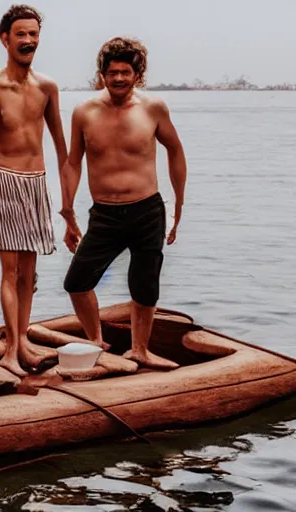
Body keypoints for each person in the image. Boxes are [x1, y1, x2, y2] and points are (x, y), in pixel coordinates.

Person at [60, 37, 187, 370]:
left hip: (147, 210)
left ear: (137, 74)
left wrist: (179, 205)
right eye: (111, 72)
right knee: (77, 281)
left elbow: (176, 150)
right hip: (105, 213)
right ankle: (95, 341)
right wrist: (67, 208)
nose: (118, 78)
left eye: (125, 72)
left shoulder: (153, 109)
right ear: (102, 73)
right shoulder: (84, 112)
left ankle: (140, 349)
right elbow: (73, 162)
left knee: (144, 285)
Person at [0, 4, 67, 376]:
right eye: (20, 35)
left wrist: (70, 201)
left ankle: (23, 338)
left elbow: (62, 146)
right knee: (10, 272)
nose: (28, 41)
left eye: (33, 34)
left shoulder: (47, 87)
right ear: (4, 39)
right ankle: (11, 350)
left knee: (30, 272)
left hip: (37, 183)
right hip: (6, 181)